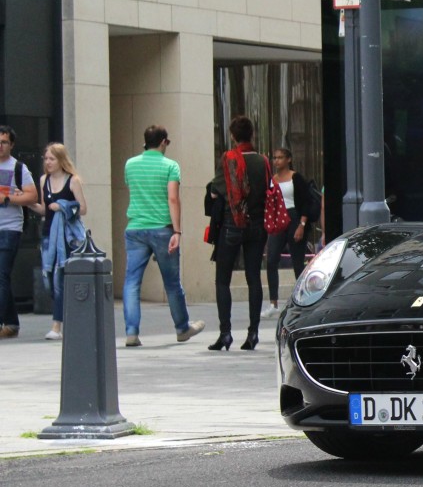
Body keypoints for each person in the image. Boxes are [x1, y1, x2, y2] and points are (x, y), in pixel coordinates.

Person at [122, 125, 204, 348]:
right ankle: (182, 328)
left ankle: (131, 332)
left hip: (135, 228)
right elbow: (173, 199)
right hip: (162, 229)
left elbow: (133, 189)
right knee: (172, 283)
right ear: (163, 142)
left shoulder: (130, 164)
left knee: (131, 282)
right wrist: (177, 231)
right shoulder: (171, 166)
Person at [209, 116, 269, 351]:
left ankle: (225, 334)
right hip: (257, 226)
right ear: (252, 135)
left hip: (231, 225)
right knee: (253, 278)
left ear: (233, 136)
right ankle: (253, 333)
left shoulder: (228, 158)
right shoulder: (263, 160)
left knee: (223, 280)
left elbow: (216, 190)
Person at [30, 143, 88, 341]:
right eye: (46, 159)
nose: (48, 162)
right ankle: (68, 316)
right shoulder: (43, 180)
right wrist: (29, 202)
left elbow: (82, 208)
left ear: (61, 160)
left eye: (51, 159)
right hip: (48, 236)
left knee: (59, 281)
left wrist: (62, 206)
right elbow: (45, 209)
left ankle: (57, 325)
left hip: (68, 238)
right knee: (48, 280)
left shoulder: (73, 181)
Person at [263, 147, 319, 318]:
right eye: (274, 158)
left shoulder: (296, 178)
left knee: (297, 261)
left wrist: (301, 224)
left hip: (294, 217)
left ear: (288, 159)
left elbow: (306, 202)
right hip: (279, 218)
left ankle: (302, 300)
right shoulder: (272, 180)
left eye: (280, 158)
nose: (277, 161)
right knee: (271, 259)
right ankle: (273, 303)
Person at [0, 126, 39, 340]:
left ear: (11, 145)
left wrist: (7, 198)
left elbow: (32, 196)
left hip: (10, 228)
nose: (0, 146)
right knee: (1, 278)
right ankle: (12, 323)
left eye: (4, 142)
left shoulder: (19, 168)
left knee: (2, 275)